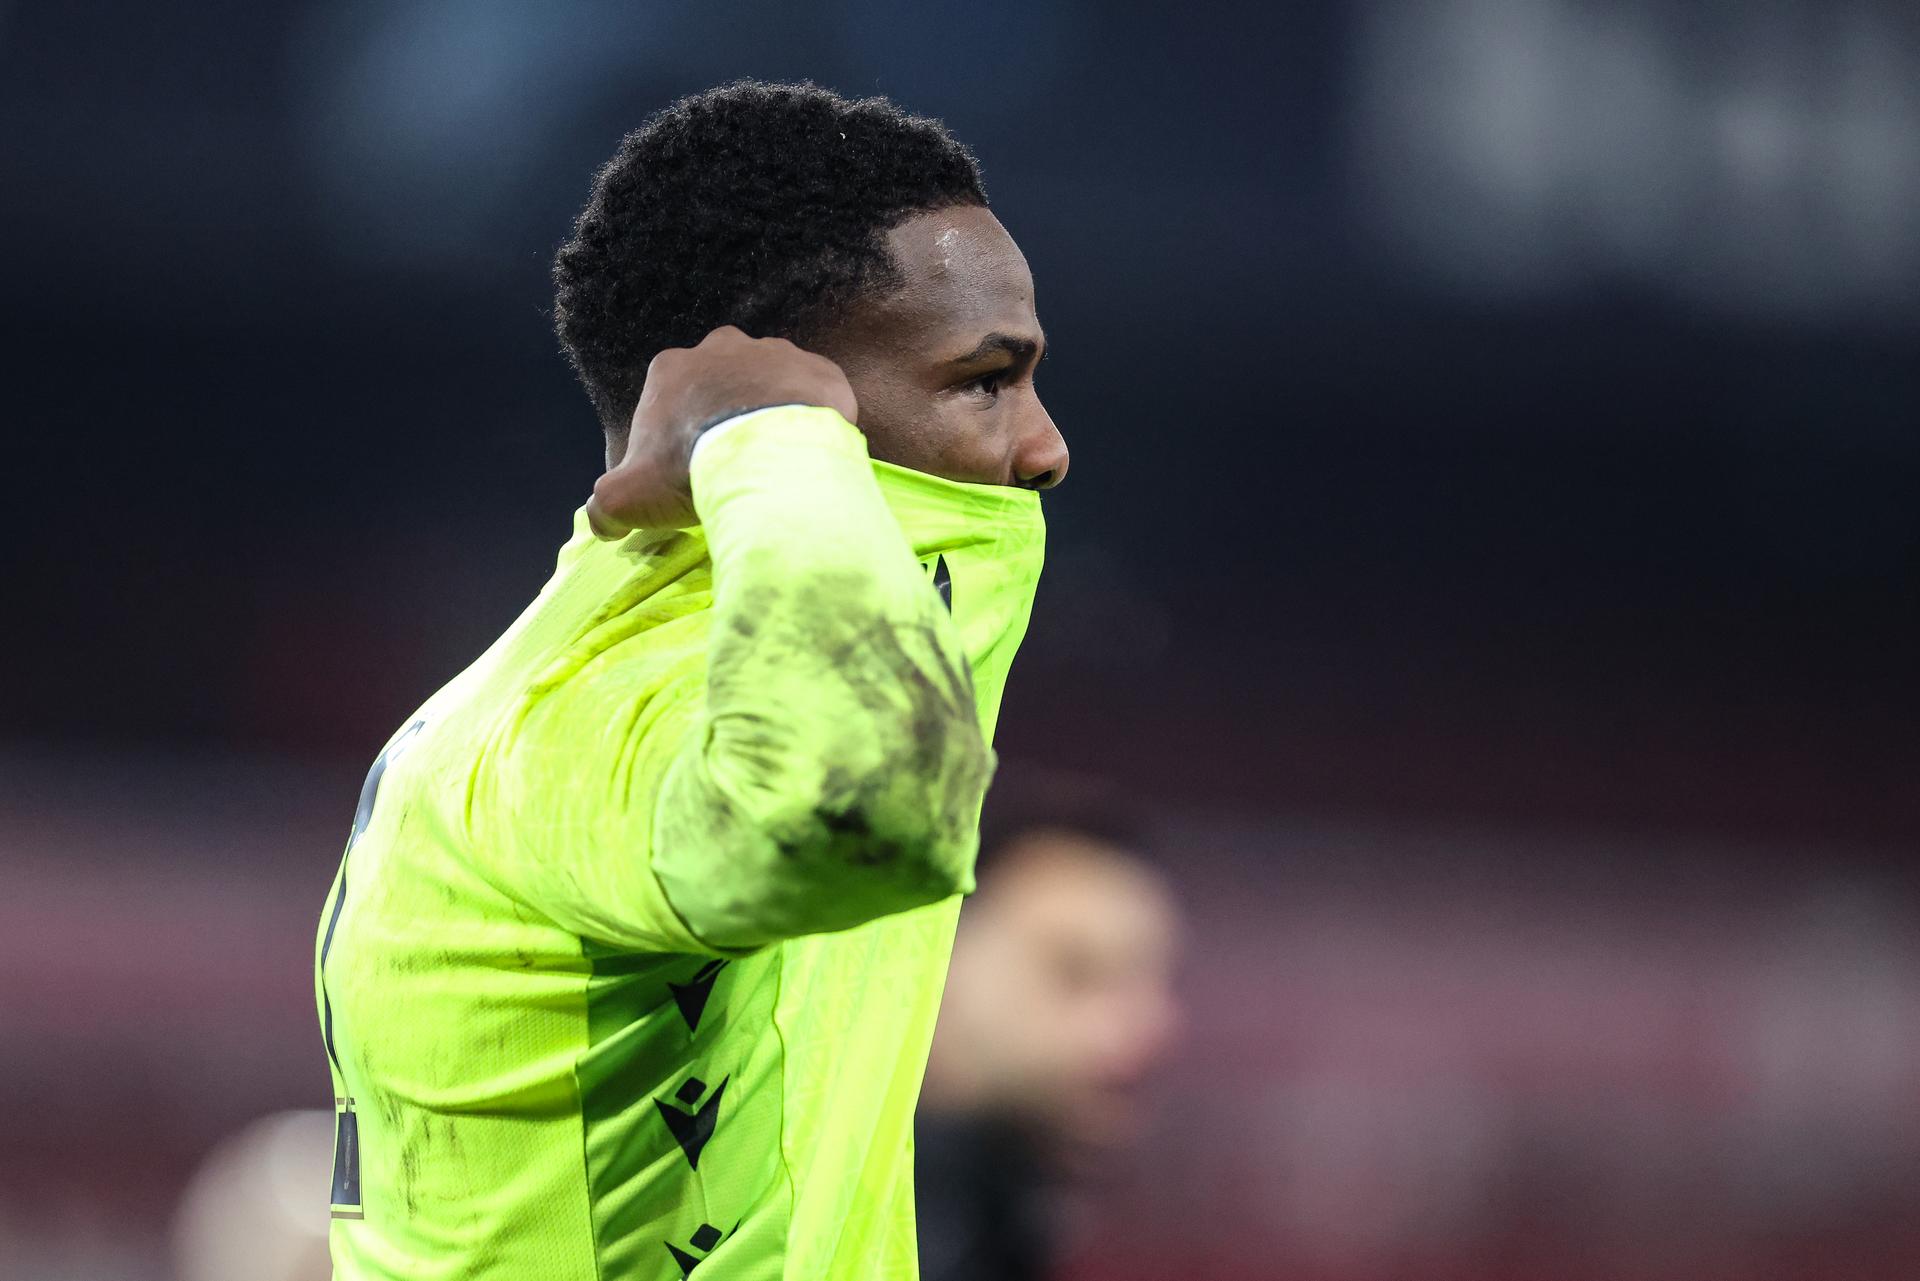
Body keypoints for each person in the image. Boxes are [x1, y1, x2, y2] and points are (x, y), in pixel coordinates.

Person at [313, 81, 1067, 1279]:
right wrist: (772, 445)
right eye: (986, 379)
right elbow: (867, 803)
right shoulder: (604, 709)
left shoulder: (667, 670)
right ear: (789, 389)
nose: (1045, 446)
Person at [915, 772, 1183, 1281]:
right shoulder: (778, 1211)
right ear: (934, 965)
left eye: (1156, 982)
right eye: (1076, 971)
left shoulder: (995, 1231)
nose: (1150, 1027)